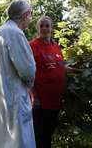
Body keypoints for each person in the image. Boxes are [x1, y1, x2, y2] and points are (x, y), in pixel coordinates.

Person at [0, 0, 36, 148]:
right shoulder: (15, 33)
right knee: (15, 139)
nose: (30, 18)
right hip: (12, 95)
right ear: (25, 14)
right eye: (30, 14)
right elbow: (27, 70)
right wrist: (29, 86)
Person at [29, 16, 81, 148]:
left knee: (49, 132)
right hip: (41, 101)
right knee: (40, 135)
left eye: (47, 25)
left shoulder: (56, 47)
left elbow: (59, 66)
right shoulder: (32, 46)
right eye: (42, 26)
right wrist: (34, 96)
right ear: (37, 29)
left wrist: (74, 70)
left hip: (55, 100)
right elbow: (27, 73)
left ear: (51, 28)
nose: (45, 28)